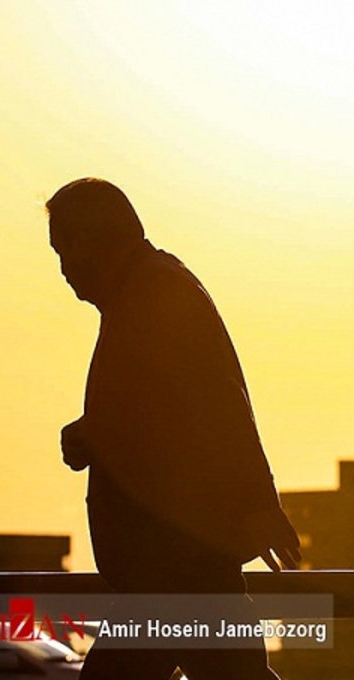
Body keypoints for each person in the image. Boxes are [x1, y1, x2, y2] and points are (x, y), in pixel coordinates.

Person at [47, 178, 302, 679]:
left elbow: (213, 405)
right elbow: (172, 407)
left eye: (63, 248)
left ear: (91, 239)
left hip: (173, 564)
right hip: (174, 564)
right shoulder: (147, 290)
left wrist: (257, 502)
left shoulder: (153, 293)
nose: (63, 269)